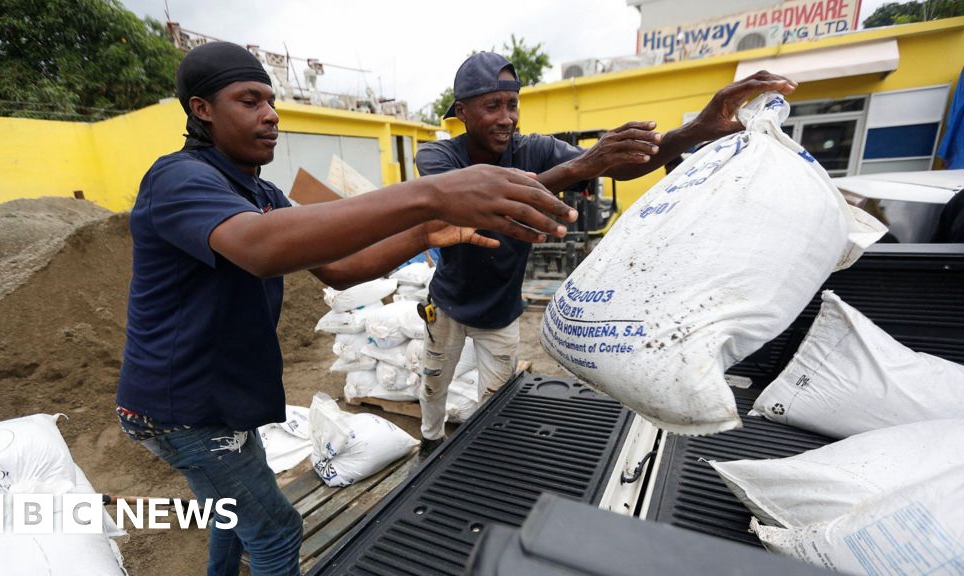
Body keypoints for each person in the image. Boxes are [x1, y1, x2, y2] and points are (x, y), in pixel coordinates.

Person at [115, 42, 577, 576]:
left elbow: (340, 267)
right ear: (201, 109)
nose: (270, 115)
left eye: (271, 101)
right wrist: (430, 195)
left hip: (218, 398)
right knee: (276, 531)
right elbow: (261, 250)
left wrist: (427, 232)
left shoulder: (258, 191)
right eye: (249, 101)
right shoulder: (179, 178)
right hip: (181, 410)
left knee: (232, 510)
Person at [415, 52, 796, 454]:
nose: (507, 117)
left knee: (495, 404)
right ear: (462, 111)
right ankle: (429, 440)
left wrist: (693, 130)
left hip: (500, 311)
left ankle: (480, 459)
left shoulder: (533, 150)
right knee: (434, 381)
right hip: (448, 305)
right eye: (493, 106)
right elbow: (475, 204)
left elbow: (618, 166)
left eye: (512, 104)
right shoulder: (438, 158)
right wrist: (582, 165)